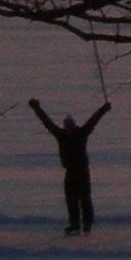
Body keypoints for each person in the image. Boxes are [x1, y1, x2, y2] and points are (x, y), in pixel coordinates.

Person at [30, 98, 111, 234]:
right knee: (71, 199)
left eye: (69, 124)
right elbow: (47, 122)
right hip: (72, 171)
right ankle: (75, 224)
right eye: (66, 125)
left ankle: (86, 224)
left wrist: (103, 109)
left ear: (73, 125)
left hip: (81, 171)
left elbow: (93, 120)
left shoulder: (79, 133)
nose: (67, 127)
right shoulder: (63, 135)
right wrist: (37, 109)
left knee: (84, 198)